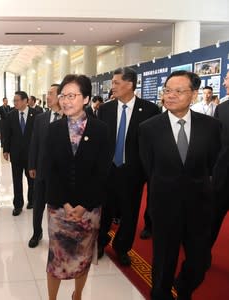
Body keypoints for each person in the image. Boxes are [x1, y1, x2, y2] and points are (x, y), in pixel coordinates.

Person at [139, 70, 221, 300]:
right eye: (167, 90)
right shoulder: (149, 128)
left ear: (193, 95)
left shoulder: (211, 127)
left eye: (178, 91)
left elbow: (212, 162)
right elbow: (149, 166)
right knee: (164, 261)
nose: (171, 95)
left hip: (200, 206)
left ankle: (184, 286)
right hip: (164, 204)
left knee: (199, 262)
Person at [45, 74, 111, 300]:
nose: (65, 101)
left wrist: (83, 205)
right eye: (63, 95)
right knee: (56, 257)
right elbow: (49, 170)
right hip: (58, 209)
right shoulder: (53, 130)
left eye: (72, 95)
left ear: (86, 98)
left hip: (88, 209)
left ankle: (78, 295)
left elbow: (102, 172)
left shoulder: (101, 129)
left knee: (83, 257)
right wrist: (64, 203)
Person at [97, 67, 160, 266]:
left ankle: (122, 248)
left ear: (130, 84)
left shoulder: (149, 110)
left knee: (130, 213)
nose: (112, 86)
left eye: (116, 83)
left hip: (133, 173)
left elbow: (151, 145)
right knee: (104, 211)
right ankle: (99, 244)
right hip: (107, 172)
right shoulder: (105, 109)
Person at [27, 83, 61, 248]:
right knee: (38, 203)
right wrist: (32, 165)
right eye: (47, 94)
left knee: (58, 206)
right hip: (41, 170)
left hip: (61, 173)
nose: (47, 97)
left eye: (51, 94)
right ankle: (36, 232)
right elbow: (34, 143)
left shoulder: (70, 118)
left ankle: (58, 234)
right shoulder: (41, 118)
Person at [3, 91, 41, 216]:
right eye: (14, 101)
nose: (15, 103)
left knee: (32, 180)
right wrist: (6, 150)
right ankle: (18, 205)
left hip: (32, 155)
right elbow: (6, 134)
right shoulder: (11, 115)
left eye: (17, 100)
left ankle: (32, 200)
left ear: (25, 101)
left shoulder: (37, 114)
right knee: (17, 180)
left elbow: (39, 136)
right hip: (16, 154)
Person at [209, 71, 229, 256]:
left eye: (227, 78)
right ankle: (201, 257)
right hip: (221, 177)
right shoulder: (221, 109)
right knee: (211, 222)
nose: (224, 82)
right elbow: (214, 144)